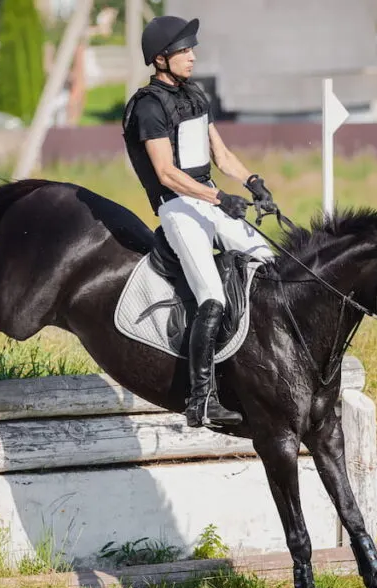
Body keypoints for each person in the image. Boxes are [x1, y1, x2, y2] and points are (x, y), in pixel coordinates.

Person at [122, 15, 277, 429]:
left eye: (192, 49)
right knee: (212, 295)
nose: (192, 56)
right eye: (184, 51)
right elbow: (167, 174)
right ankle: (201, 399)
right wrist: (219, 198)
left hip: (208, 198)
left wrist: (253, 182)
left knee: (268, 260)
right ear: (160, 59)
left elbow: (221, 156)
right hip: (177, 207)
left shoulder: (195, 95)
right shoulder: (149, 108)